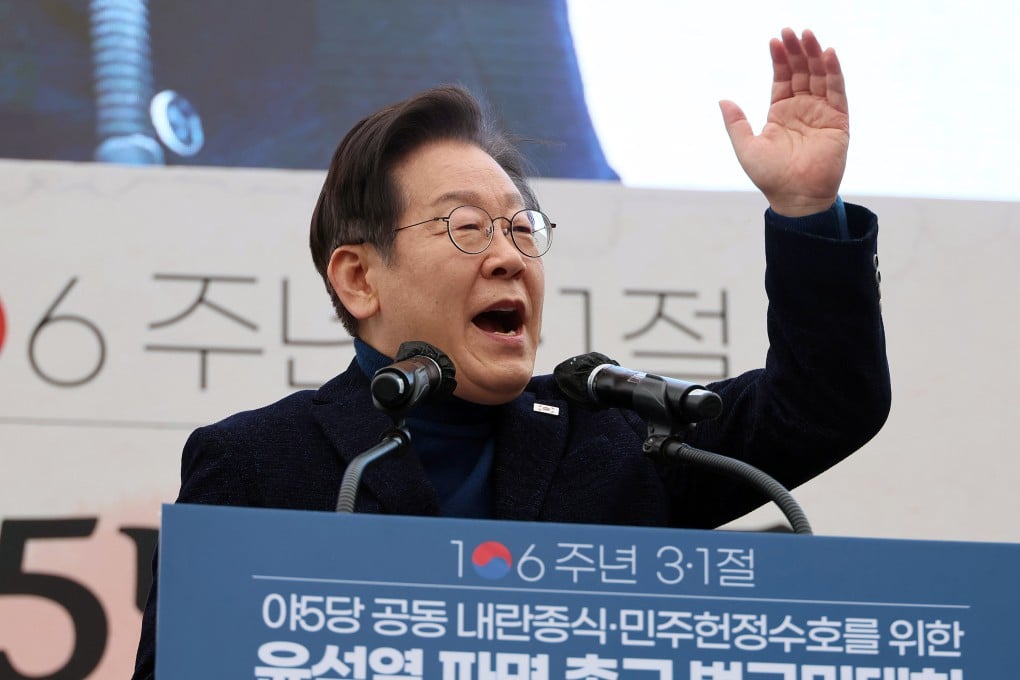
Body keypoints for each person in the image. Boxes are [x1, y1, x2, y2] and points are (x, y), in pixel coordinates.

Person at [132, 28, 890, 678]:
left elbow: (824, 402)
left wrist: (807, 215)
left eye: (522, 229)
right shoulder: (256, 464)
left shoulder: (620, 440)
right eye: (467, 227)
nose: (509, 259)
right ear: (359, 278)